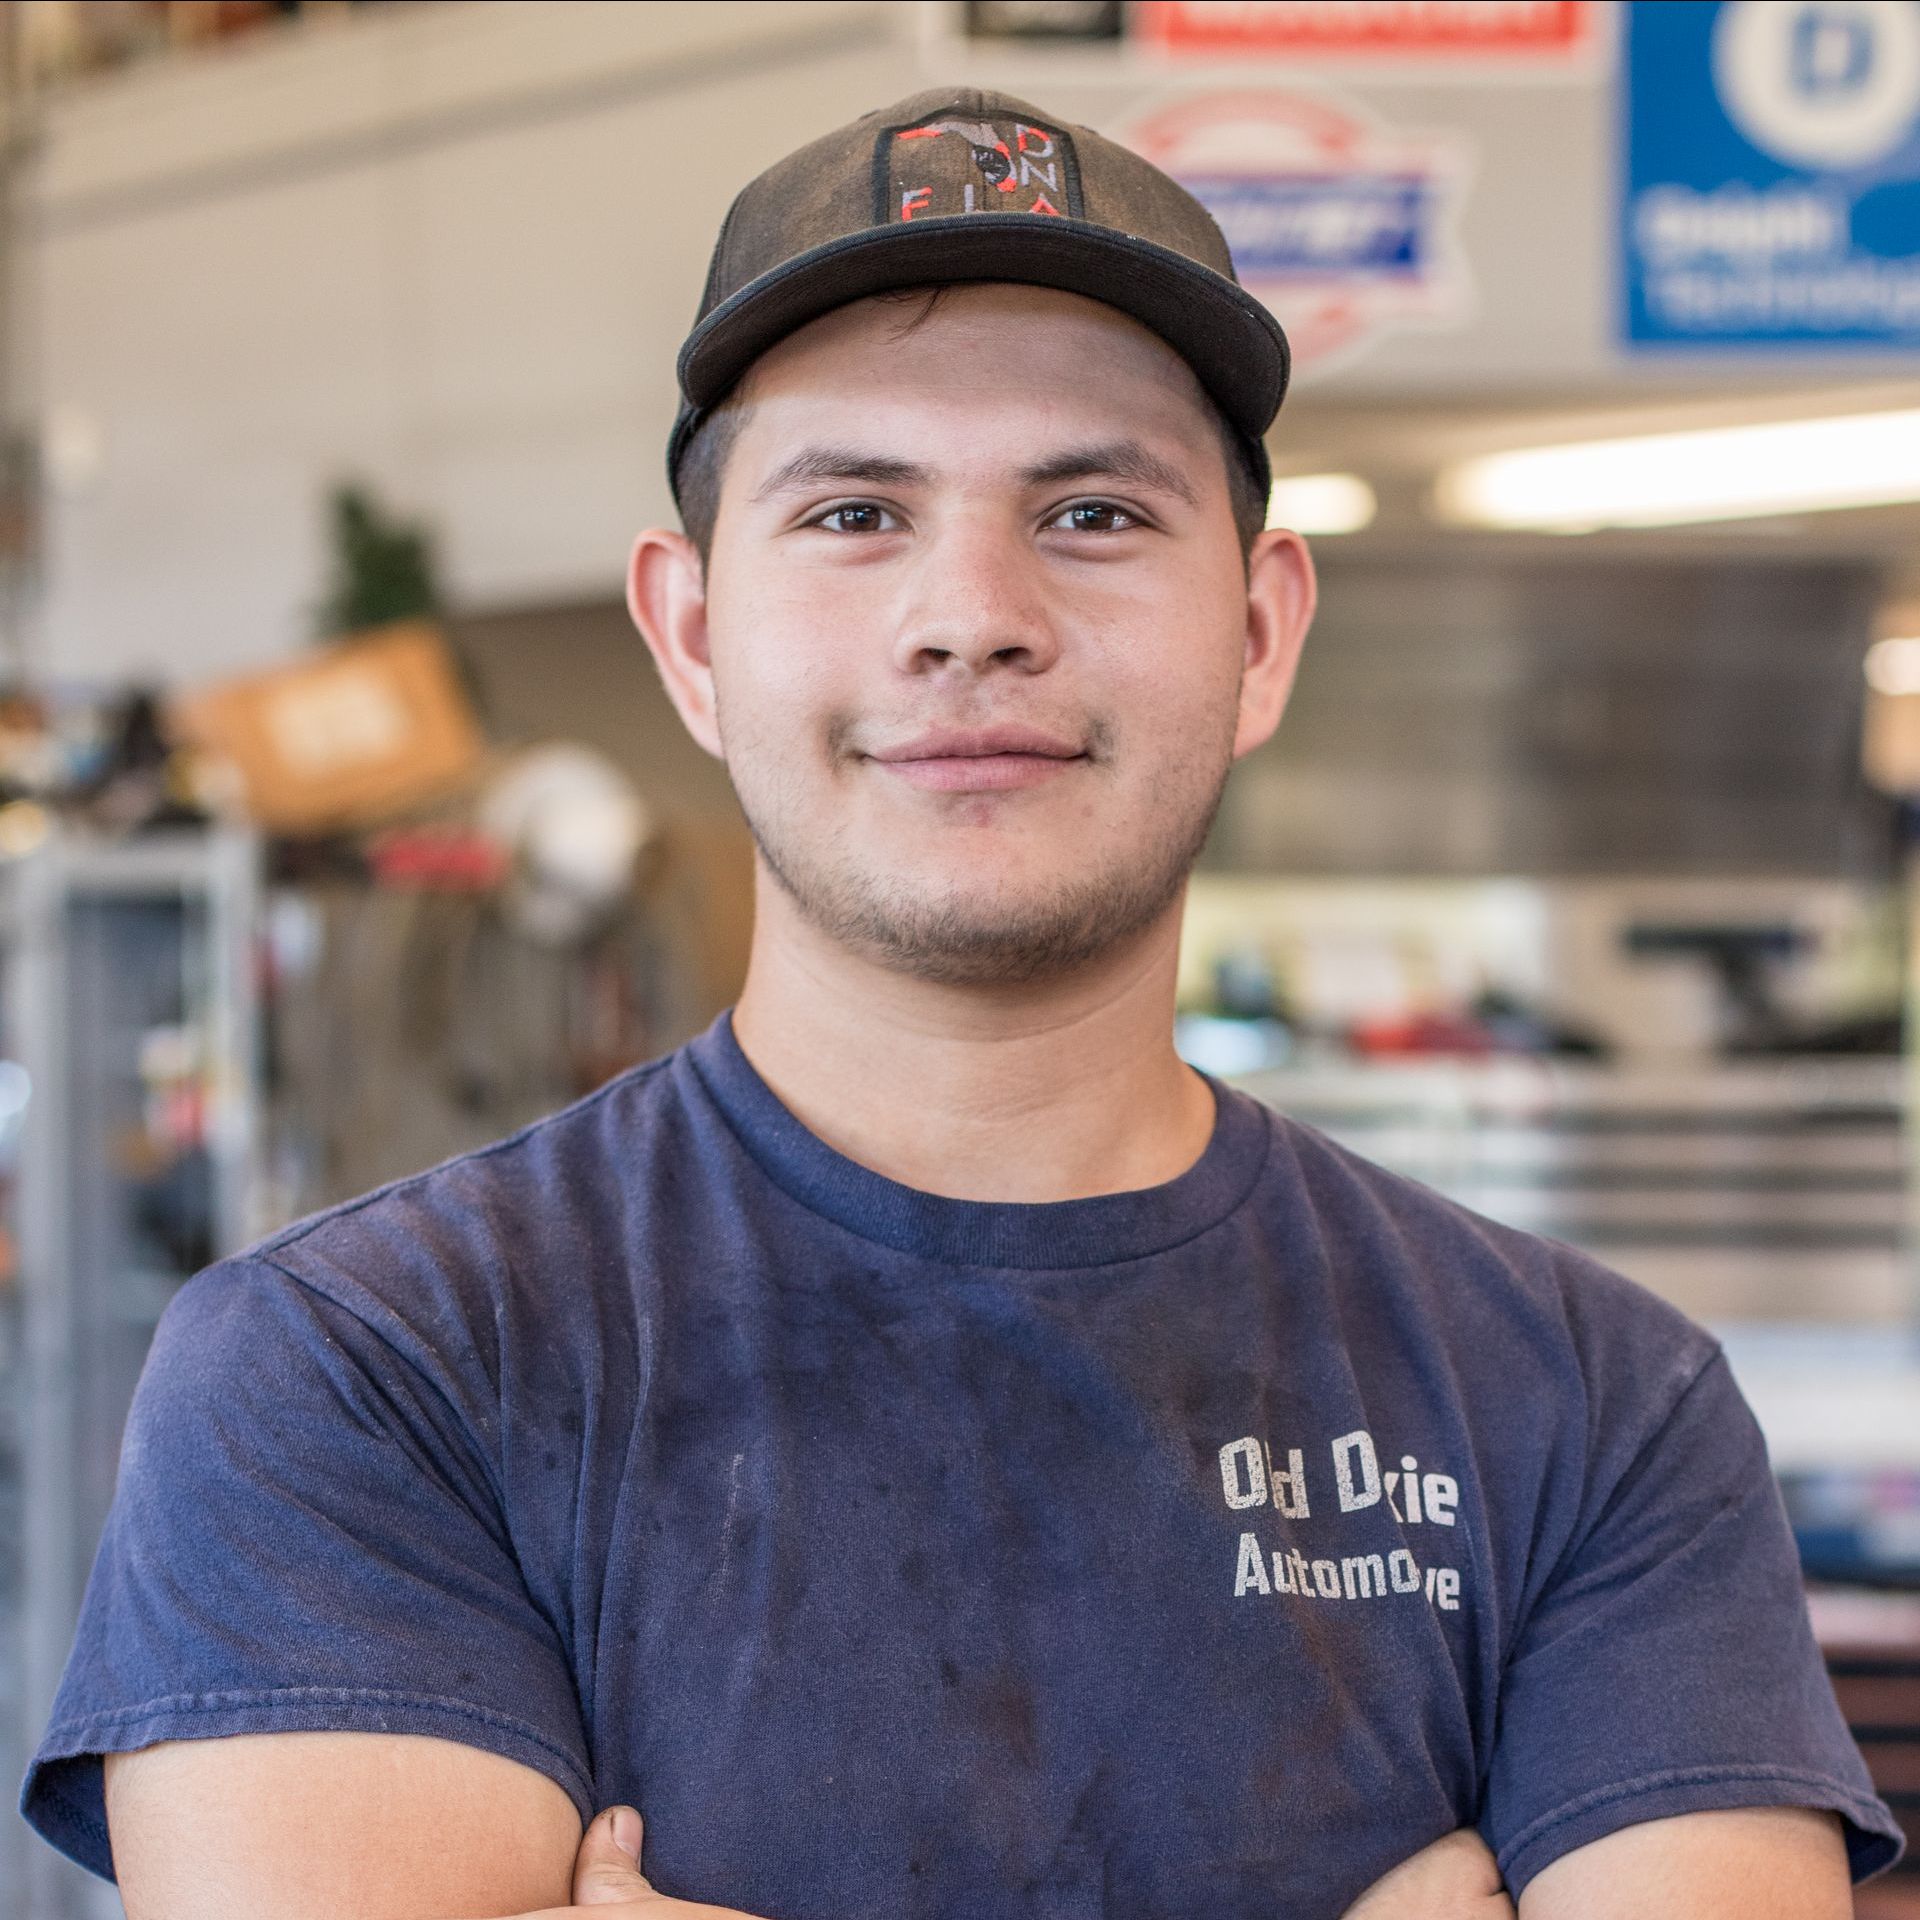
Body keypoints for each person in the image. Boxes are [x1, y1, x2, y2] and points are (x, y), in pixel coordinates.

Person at [20, 87, 1903, 1920]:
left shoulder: (1594, 1407)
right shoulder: (364, 1372)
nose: (972, 612)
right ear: (691, 633)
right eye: (854, 513)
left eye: (1092, 512)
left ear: (1257, 635)